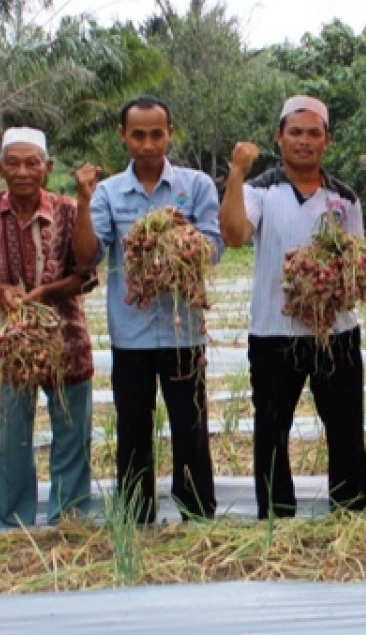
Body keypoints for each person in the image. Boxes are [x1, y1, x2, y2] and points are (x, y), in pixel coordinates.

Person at [219, 96, 366, 519]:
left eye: (313, 134)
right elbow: (233, 234)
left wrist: (333, 282)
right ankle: (276, 513)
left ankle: (351, 510)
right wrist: (235, 173)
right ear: (279, 138)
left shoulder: (345, 197)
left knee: (345, 427)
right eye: (295, 133)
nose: (304, 142)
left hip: (336, 331)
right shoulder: (259, 191)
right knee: (271, 428)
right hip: (274, 332)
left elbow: (356, 262)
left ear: (327, 141)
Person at [0, 127, 101, 528]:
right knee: (10, 441)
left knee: (72, 434)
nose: (23, 171)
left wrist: (44, 293)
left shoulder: (69, 210)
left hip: (66, 343)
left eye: (32, 163)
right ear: (1, 168)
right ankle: (12, 521)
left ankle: (69, 516)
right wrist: (2, 292)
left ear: (47, 167)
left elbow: (85, 274)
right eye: (14, 163)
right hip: (11, 348)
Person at [88, 96, 220, 524]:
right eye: (138, 134)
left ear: (170, 134)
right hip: (131, 331)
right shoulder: (108, 192)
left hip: (183, 331)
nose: (148, 144)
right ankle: (135, 513)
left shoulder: (196, 185)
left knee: (191, 425)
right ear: (123, 136)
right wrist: (81, 199)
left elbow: (215, 248)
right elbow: (91, 254)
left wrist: (182, 243)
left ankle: (197, 510)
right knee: (133, 427)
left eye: (156, 134)